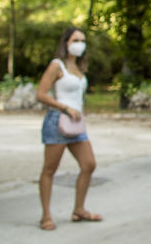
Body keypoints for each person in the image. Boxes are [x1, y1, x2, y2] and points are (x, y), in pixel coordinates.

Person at [35, 27, 103, 231]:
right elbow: (41, 94)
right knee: (50, 169)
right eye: (76, 40)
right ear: (66, 42)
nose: (80, 44)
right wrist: (65, 108)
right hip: (59, 121)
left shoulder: (80, 68)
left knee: (89, 164)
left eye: (83, 40)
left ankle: (79, 209)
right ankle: (46, 216)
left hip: (77, 124)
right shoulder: (57, 66)